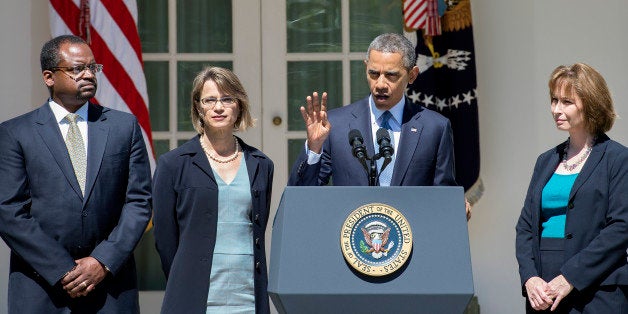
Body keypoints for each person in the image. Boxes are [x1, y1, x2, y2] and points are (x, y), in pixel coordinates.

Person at [0, 35, 152, 313]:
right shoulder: (15, 133)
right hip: (41, 287)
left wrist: (102, 262)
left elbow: (139, 202)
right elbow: (9, 211)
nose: (88, 74)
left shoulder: (123, 127)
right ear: (49, 77)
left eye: (93, 68)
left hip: (110, 287)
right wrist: (62, 269)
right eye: (77, 69)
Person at [288, 33, 470, 219]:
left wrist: (455, 208)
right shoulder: (336, 125)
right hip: (349, 240)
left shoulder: (435, 128)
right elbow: (302, 195)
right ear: (366, 68)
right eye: (373, 74)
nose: (380, 84)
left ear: (412, 75)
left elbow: (442, 195)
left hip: (411, 242)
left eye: (391, 75)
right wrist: (314, 148)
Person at [153, 66, 274, 313]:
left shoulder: (261, 164)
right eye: (210, 100)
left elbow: (258, 231)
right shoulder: (173, 164)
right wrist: (185, 280)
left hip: (248, 297)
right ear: (198, 107)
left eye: (227, 99)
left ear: (239, 105)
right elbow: (165, 241)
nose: (218, 107)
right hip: (194, 298)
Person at [515, 63, 628, 313]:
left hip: (597, 290)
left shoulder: (618, 159)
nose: (556, 109)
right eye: (554, 100)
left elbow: (620, 228)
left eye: (567, 102)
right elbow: (525, 225)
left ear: (590, 103)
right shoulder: (545, 161)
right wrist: (530, 278)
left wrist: (570, 278)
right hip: (543, 292)